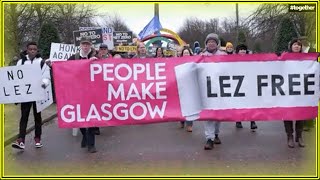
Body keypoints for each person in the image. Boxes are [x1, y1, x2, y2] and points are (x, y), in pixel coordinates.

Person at [11, 42, 51, 150]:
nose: (33, 51)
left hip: (38, 94)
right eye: (30, 49)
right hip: (26, 94)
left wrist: (44, 83)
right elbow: (16, 76)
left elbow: (46, 76)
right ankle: (21, 140)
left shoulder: (42, 62)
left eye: (35, 49)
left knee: (37, 117)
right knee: (24, 117)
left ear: (37, 50)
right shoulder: (21, 62)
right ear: (27, 50)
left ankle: (37, 138)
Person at [68, 37, 98, 153]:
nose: (86, 47)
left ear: (90, 46)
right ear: (80, 45)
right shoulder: (73, 58)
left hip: (92, 92)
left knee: (91, 116)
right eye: (84, 45)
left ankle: (91, 144)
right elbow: (64, 69)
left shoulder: (94, 57)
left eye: (88, 45)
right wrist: (51, 66)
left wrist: (96, 62)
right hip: (78, 92)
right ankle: (84, 135)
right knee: (79, 116)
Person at [201, 33, 227, 150]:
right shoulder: (201, 56)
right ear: (206, 43)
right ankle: (209, 138)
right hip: (206, 89)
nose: (211, 43)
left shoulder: (224, 55)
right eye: (209, 41)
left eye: (213, 41)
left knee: (217, 115)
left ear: (217, 43)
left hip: (220, 88)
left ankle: (216, 134)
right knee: (208, 115)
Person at [283, 38, 305, 148]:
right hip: (287, 90)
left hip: (301, 90)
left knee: (301, 113)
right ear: (291, 46)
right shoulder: (285, 57)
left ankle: (299, 136)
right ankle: (290, 136)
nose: (297, 46)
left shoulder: (306, 59)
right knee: (287, 113)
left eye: (299, 45)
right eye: (295, 44)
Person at [234, 44, 258, 131]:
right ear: (237, 51)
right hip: (237, 84)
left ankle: (252, 121)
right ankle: (238, 120)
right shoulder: (232, 61)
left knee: (250, 103)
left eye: (244, 49)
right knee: (239, 103)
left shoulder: (251, 59)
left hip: (249, 84)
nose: (242, 51)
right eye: (241, 50)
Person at [179, 47, 194, 132]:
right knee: (182, 105)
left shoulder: (193, 62)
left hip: (191, 87)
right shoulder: (177, 62)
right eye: (184, 53)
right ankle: (181, 120)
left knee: (190, 106)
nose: (186, 54)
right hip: (181, 87)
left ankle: (189, 124)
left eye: (187, 53)